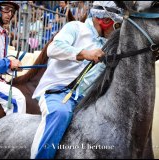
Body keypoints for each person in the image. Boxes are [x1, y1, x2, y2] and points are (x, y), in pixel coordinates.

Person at [30, 1, 123, 159]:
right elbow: (54, 48)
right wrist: (85, 53)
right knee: (60, 113)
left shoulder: (109, 44)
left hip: (86, 100)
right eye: (117, 25)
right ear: (105, 20)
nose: (118, 30)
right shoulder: (75, 27)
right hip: (57, 92)